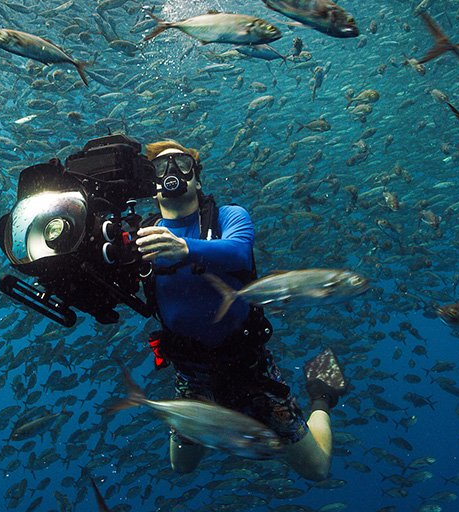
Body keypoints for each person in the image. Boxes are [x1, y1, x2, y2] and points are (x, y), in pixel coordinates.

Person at [134, 140, 347, 481]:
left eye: (182, 164)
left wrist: (185, 247)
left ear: (198, 178)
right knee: (182, 466)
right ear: (151, 182)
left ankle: (321, 396)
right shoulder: (140, 236)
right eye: (160, 167)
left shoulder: (229, 217)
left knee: (317, 469)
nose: (172, 172)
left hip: (249, 366)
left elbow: (238, 253)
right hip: (191, 372)